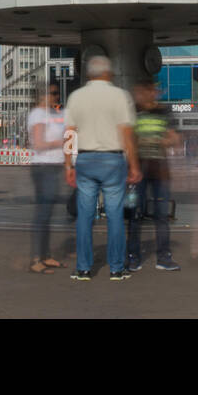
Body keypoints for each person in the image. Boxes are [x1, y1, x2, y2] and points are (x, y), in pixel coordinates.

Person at [64, 56, 141, 281]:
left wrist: (68, 164)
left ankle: (83, 268)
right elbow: (126, 133)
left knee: (85, 216)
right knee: (115, 215)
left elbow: (70, 132)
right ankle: (116, 268)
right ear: (108, 73)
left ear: (89, 73)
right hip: (112, 160)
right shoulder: (120, 96)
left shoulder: (76, 96)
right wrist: (133, 165)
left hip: (86, 160)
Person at [126, 81, 180, 272]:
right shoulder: (133, 112)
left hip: (159, 170)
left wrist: (167, 140)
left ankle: (163, 257)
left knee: (161, 215)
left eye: (149, 90)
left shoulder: (165, 112)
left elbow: (175, 138)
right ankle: (133, 256)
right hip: (137, 170)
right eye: (142, 91)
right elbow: (128, 139)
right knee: (135, 213)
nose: (145, 94)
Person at [27, 84, 66, 274]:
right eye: (53, 93)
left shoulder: (53, 114)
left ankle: (46, 255)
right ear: (43, 96)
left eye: (58, 93)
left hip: (54, 166)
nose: (57, 96)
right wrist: (61, 142)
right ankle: (36, 259)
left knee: (47, 213)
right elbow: (39, 143)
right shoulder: (38, 114)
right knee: (43, 214)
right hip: (44, 167)